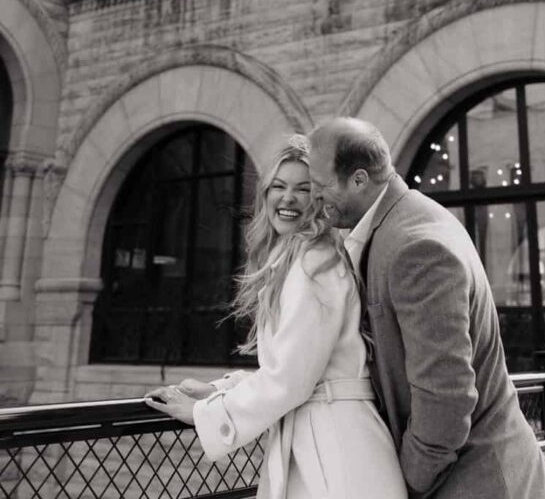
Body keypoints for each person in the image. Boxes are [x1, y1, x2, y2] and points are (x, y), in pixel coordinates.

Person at [307, 117, 545, 499]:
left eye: (321, 185)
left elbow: (445, 396)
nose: (313, 196)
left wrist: (405, 483)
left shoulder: (414, 247)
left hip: (478, 484)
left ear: (358, 180)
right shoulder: (404, 222)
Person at [144, 135, 407, 499]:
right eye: (278, 187)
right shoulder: (301, 258)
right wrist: (222, 389)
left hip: (337, 455)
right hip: (331, 443)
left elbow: (292, 380)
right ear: (265, 194)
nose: (287, 198)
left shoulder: (315, 262)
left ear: (319, 199)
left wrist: (206, 414)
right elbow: (297, 366)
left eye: (303, 189)